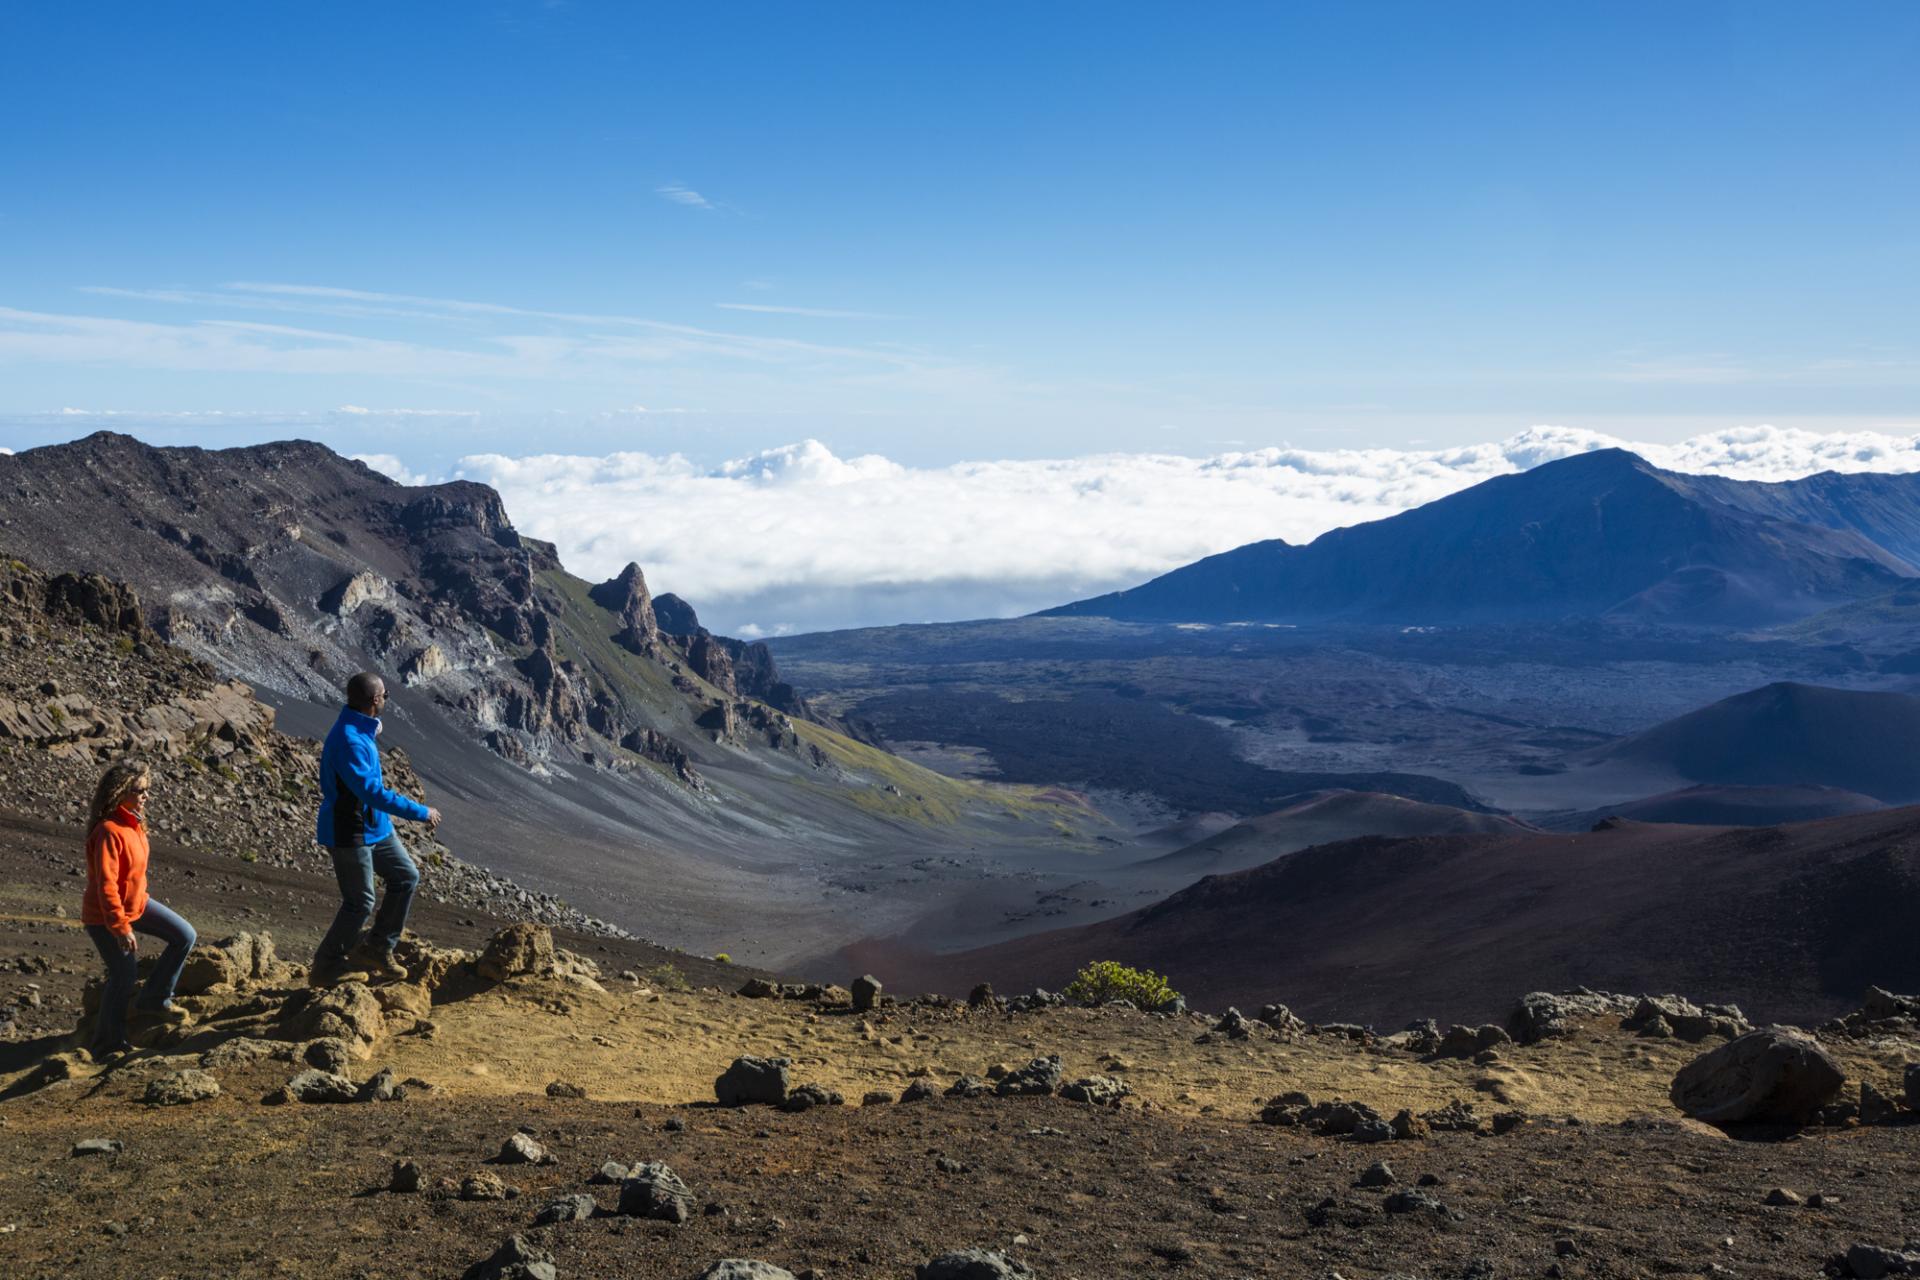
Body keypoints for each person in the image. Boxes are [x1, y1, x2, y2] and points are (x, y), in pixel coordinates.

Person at [312, 671, 441, 985]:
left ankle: (378, 948)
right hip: (349, 832)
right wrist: (420, 812)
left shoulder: (360, 729)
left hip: (374, 827)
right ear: (375, 700)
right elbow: (370, 792)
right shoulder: (350, 740)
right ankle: (326, 966)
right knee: (360, 901)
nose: (386, 699)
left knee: (405, 876)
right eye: (385, 695)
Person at [82, 758, 197, 1059]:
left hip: (138, 905)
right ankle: (106, 1044)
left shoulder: (135, 824)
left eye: (147, 789)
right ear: (120, 791)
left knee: (185, 935)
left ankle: (156, 998)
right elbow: (106, 886)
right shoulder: (108, 830)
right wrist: (120, 928)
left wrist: (136, 908)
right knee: (124, 974)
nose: (146, 795)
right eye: (139, 789)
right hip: (104, 916)